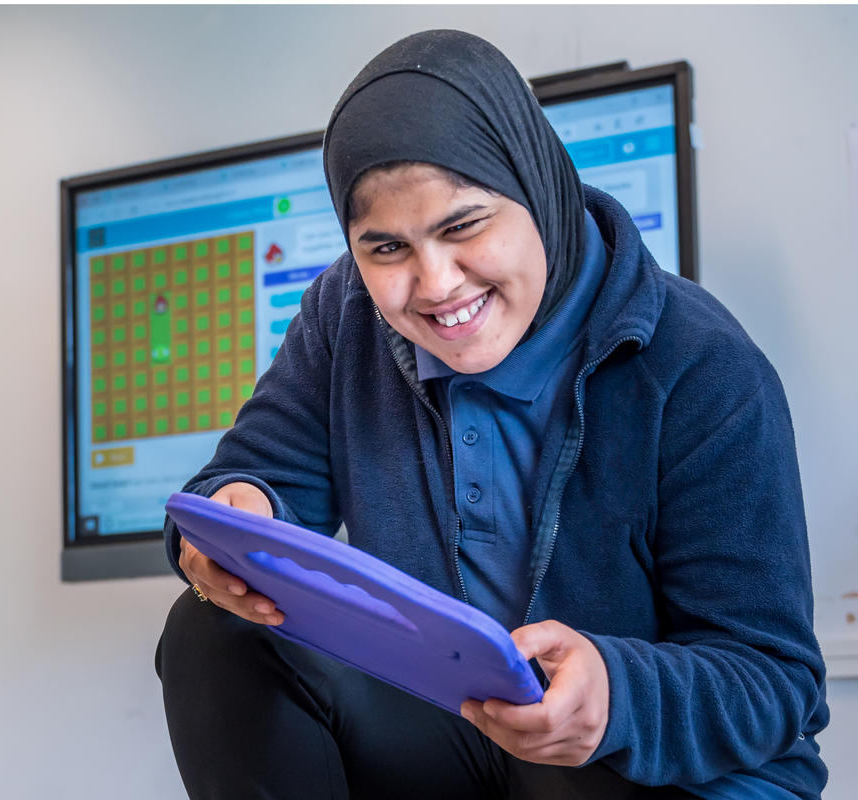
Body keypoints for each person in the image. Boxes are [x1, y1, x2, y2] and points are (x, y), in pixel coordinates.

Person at [155, 29, 829, 800]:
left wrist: (615, 696)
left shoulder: (704, 367)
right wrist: (231, 523)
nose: (435, 283)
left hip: (675, 775)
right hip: (468, 740)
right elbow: (253, 476)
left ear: (537, 189)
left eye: (463, 226)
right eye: (385, 250)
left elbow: (772, 681)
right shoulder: (346, 314)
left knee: (553, 759)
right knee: (213, 634)